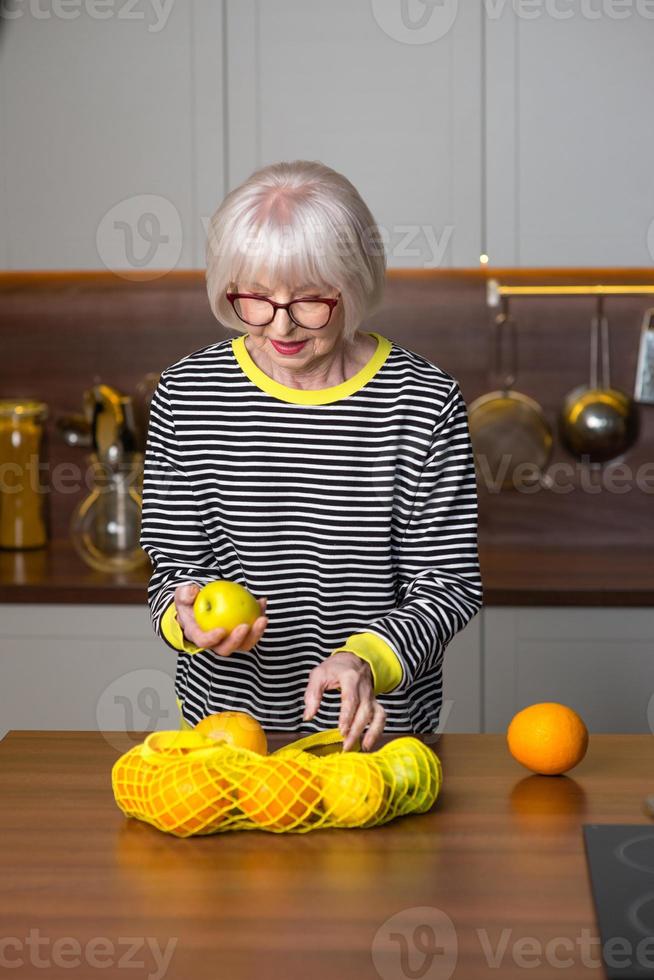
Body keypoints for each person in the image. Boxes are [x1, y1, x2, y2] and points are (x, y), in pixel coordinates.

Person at [140, 159, 483, 752]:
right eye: (256, 297)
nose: (281, 323)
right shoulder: (188, 394)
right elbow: (170, 569)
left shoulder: (422, 401)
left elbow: (449, 583)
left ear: (352, 284)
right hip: (227, 735)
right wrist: (186, 619)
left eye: (308, 300)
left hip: (376, 736)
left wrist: (365, 659)